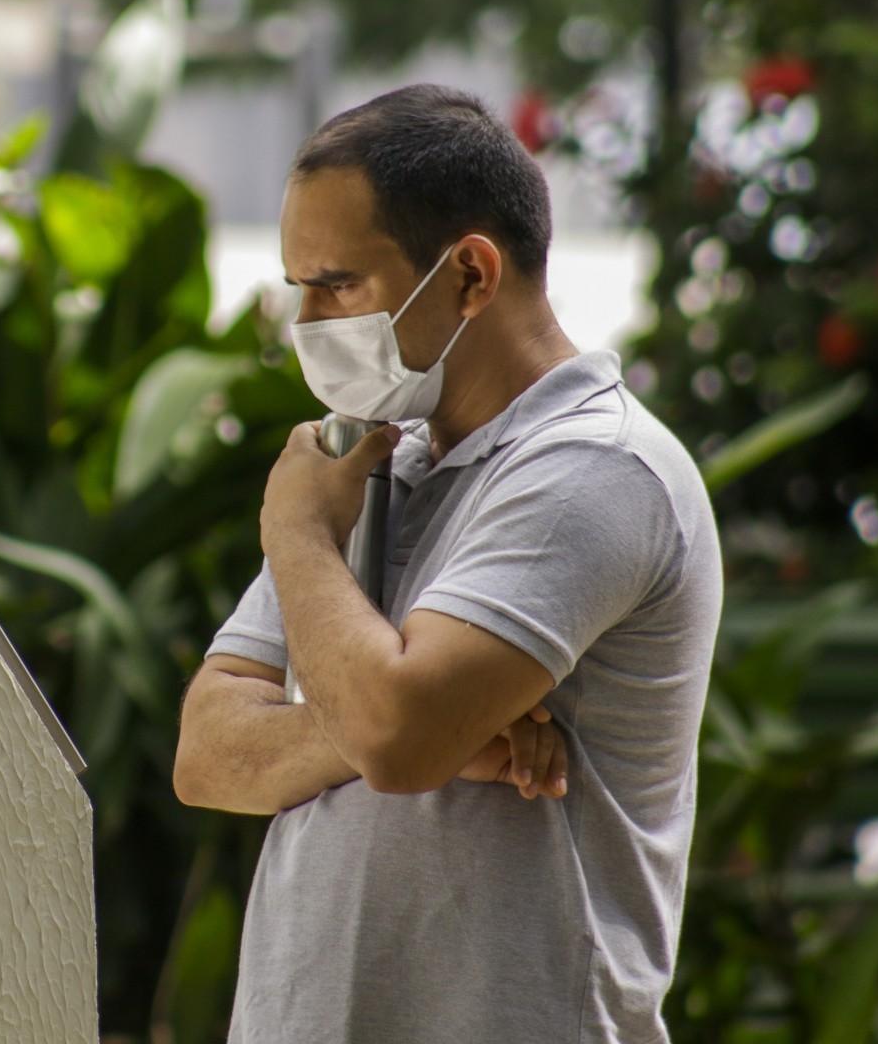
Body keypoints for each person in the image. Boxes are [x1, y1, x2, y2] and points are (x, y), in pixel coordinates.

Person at [173, 83, 722, 1043]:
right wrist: (408, 733)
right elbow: (208, 755)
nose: (305, 322)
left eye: (337, 285)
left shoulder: (595, 470)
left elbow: (396, 737)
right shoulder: (375, 461)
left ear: (470, 274)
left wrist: (295, 538)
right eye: (300, 286)